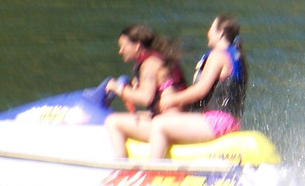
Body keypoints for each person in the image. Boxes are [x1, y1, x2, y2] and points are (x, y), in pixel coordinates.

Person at [144, 14, 247, 159]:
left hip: (216, 122)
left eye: (211, 28)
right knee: (166, 120)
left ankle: (152, 172)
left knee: (159, 124)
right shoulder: (235, 55)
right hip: (230, 121)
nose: (208, 32)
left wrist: (171, 100)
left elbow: (200, 90)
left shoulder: (218, 56)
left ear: (221, 33)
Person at [104, 23, 184, 156]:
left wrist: (118, 88)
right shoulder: (155, 59)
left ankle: (121, 167)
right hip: (170, 118)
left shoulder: (149, 64)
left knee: (112, 121)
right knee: (134, 115)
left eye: (124, 46)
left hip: (170, 123)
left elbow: (145, 98)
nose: (121, 51)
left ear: (137, 45)